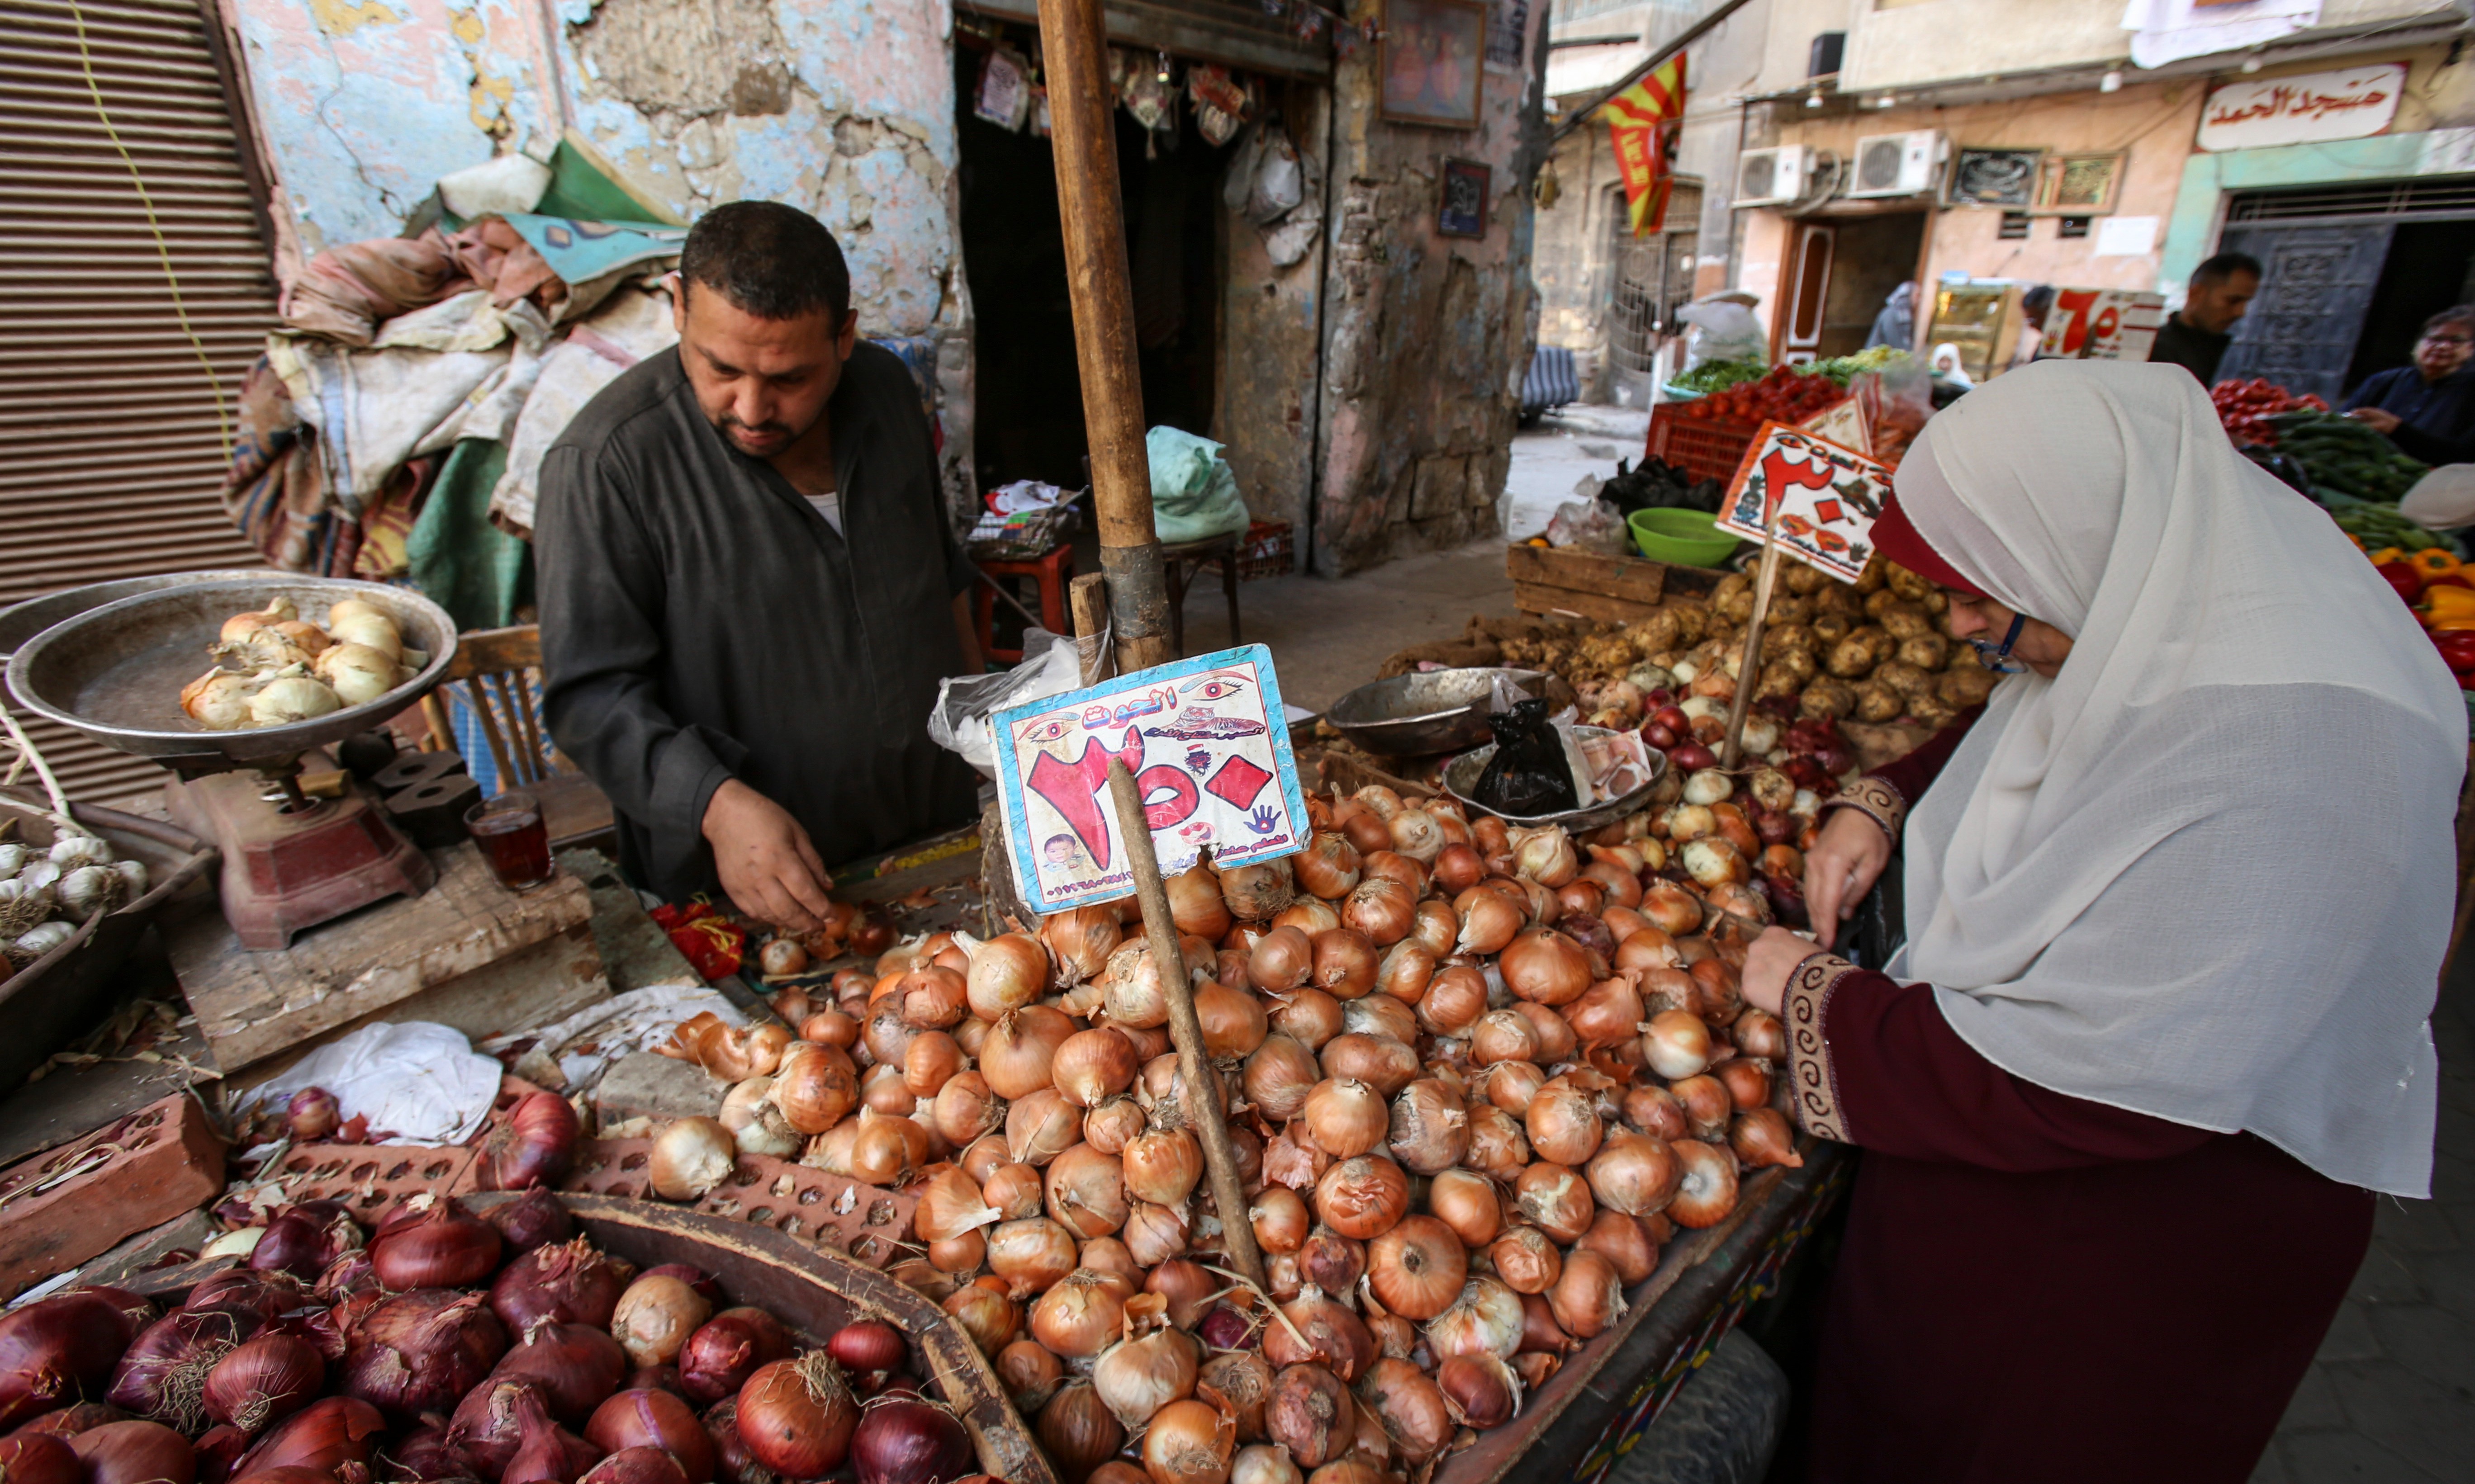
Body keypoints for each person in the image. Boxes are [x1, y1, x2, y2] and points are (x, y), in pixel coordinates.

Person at [1738, 359, 2458, 1482]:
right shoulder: (2176, 591)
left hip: (2124, 1252)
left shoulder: (2291, 761)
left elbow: (2080, 1081)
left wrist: (1811, 999)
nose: (1958, 623)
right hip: (2021, 1205)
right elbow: (2047, 715)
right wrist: (1874, 797)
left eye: (1981, 595)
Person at [536, 201, 982, 929]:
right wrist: (715, 802)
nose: (752, 408)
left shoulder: (887, 397)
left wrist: (987, 743)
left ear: (845, 336)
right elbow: (591, 697)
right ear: (677, 307)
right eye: (722, 369)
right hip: (755, 892)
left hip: (934, 840)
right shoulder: (607, 465)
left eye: (790, 378)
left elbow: (939, 578)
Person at [2344, 304, 2475, 464]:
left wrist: (2397, 430)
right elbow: (2341, 424)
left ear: (2472, 349)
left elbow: (2467, 455)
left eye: (2456, 341)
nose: (2442, 346)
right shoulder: (2384, 381)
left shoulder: (2469, 391)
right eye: (2435, 339)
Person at [2147, 250, 2261, 385]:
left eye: (2246, 303)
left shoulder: (2232, 354)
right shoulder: (2155, 350)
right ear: (2197, 294)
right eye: (2233, 301)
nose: (2241, 312)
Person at [1861, 282, 1914, 353]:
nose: (1919, 300)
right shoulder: (1891, 314)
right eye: (1917, 295)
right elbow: (1893, 339)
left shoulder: (1905, 314)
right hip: (1878, 355)